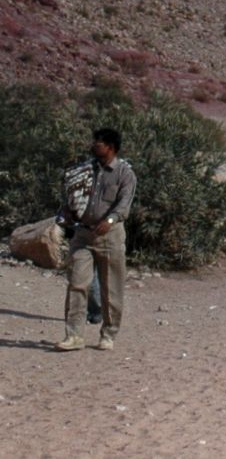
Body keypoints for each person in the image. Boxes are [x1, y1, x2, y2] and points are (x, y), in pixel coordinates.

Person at [53, 126, 134, 352]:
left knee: (112, 289)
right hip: (82, 235)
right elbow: (70, 197)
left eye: (99, 142)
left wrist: (109, 222)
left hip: (111, 237)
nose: (94, 145)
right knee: (77, 284)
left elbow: (124, 205)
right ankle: (74, 336)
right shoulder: (83, 171)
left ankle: (108, 334)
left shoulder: (125, 174)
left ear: (111, 147)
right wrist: (66, 213)